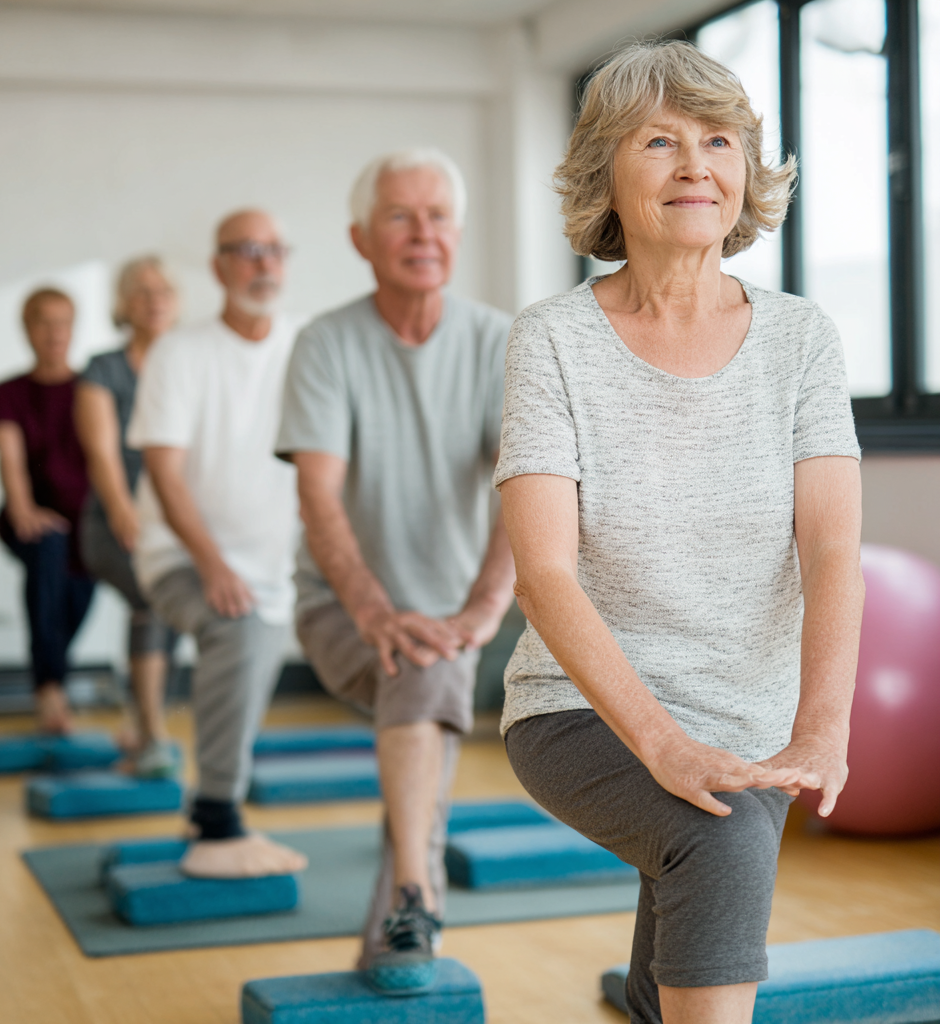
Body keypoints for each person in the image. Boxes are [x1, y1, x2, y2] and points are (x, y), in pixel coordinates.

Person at [496, 42, 863, 1024]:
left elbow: (831, 547)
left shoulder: (800, 339)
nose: (695, 162)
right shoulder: (552, 338)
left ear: (745, 171)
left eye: (718, 139)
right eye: (658, 140)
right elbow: (541, 571)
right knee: (718, 837)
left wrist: (821, 726)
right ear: (605, 176)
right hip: (578, 707)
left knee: (699, 872)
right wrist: (658, 741)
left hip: (752, 718)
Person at [276, 148, 516, 995]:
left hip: (451, 614)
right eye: (400, 217)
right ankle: (418, 892)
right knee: (421, 662)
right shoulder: (325, 344)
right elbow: (319, 499)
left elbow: (527, 489)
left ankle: (401, 918)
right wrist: (376, 611)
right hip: (341, 610)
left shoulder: (499, 341)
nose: (424, 234)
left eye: (438, 215)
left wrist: (485, 611)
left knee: (431, 665)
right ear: (360, 238)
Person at [126, 210, 307, 879]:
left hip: (275, 565)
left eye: (275, 251)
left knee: (254, 659)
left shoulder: (306, 346)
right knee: (240, 633)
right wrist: (211, 564)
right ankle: (217, 822)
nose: (263, 264)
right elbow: (164, 473)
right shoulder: (181, 351)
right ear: (218, 266)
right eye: (247, 251)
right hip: (179, 557)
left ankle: (213, 805)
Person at [75, 257, 180, 777]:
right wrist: (123, 510)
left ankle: (142, 724)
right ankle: (154, 732)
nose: (154, 299)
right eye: (140, 291)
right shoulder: (103, 370)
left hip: (174, 521)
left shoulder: (187, 365)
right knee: (153, 598)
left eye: (163, 290)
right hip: (111, 524)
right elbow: (102, 452)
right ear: (121, 305)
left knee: (172, 605)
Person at [0, 288, 95, 734]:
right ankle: (50, 690)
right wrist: (23, 506)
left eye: (63, 322)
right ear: (27, 328)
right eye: (44, 322)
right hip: (30, 517)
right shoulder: (7, 393)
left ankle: (51, 677)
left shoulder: (91, 388)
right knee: (49, 546)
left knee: (75, 597)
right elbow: (9, 456)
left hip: (87, 523)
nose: (54, 333)